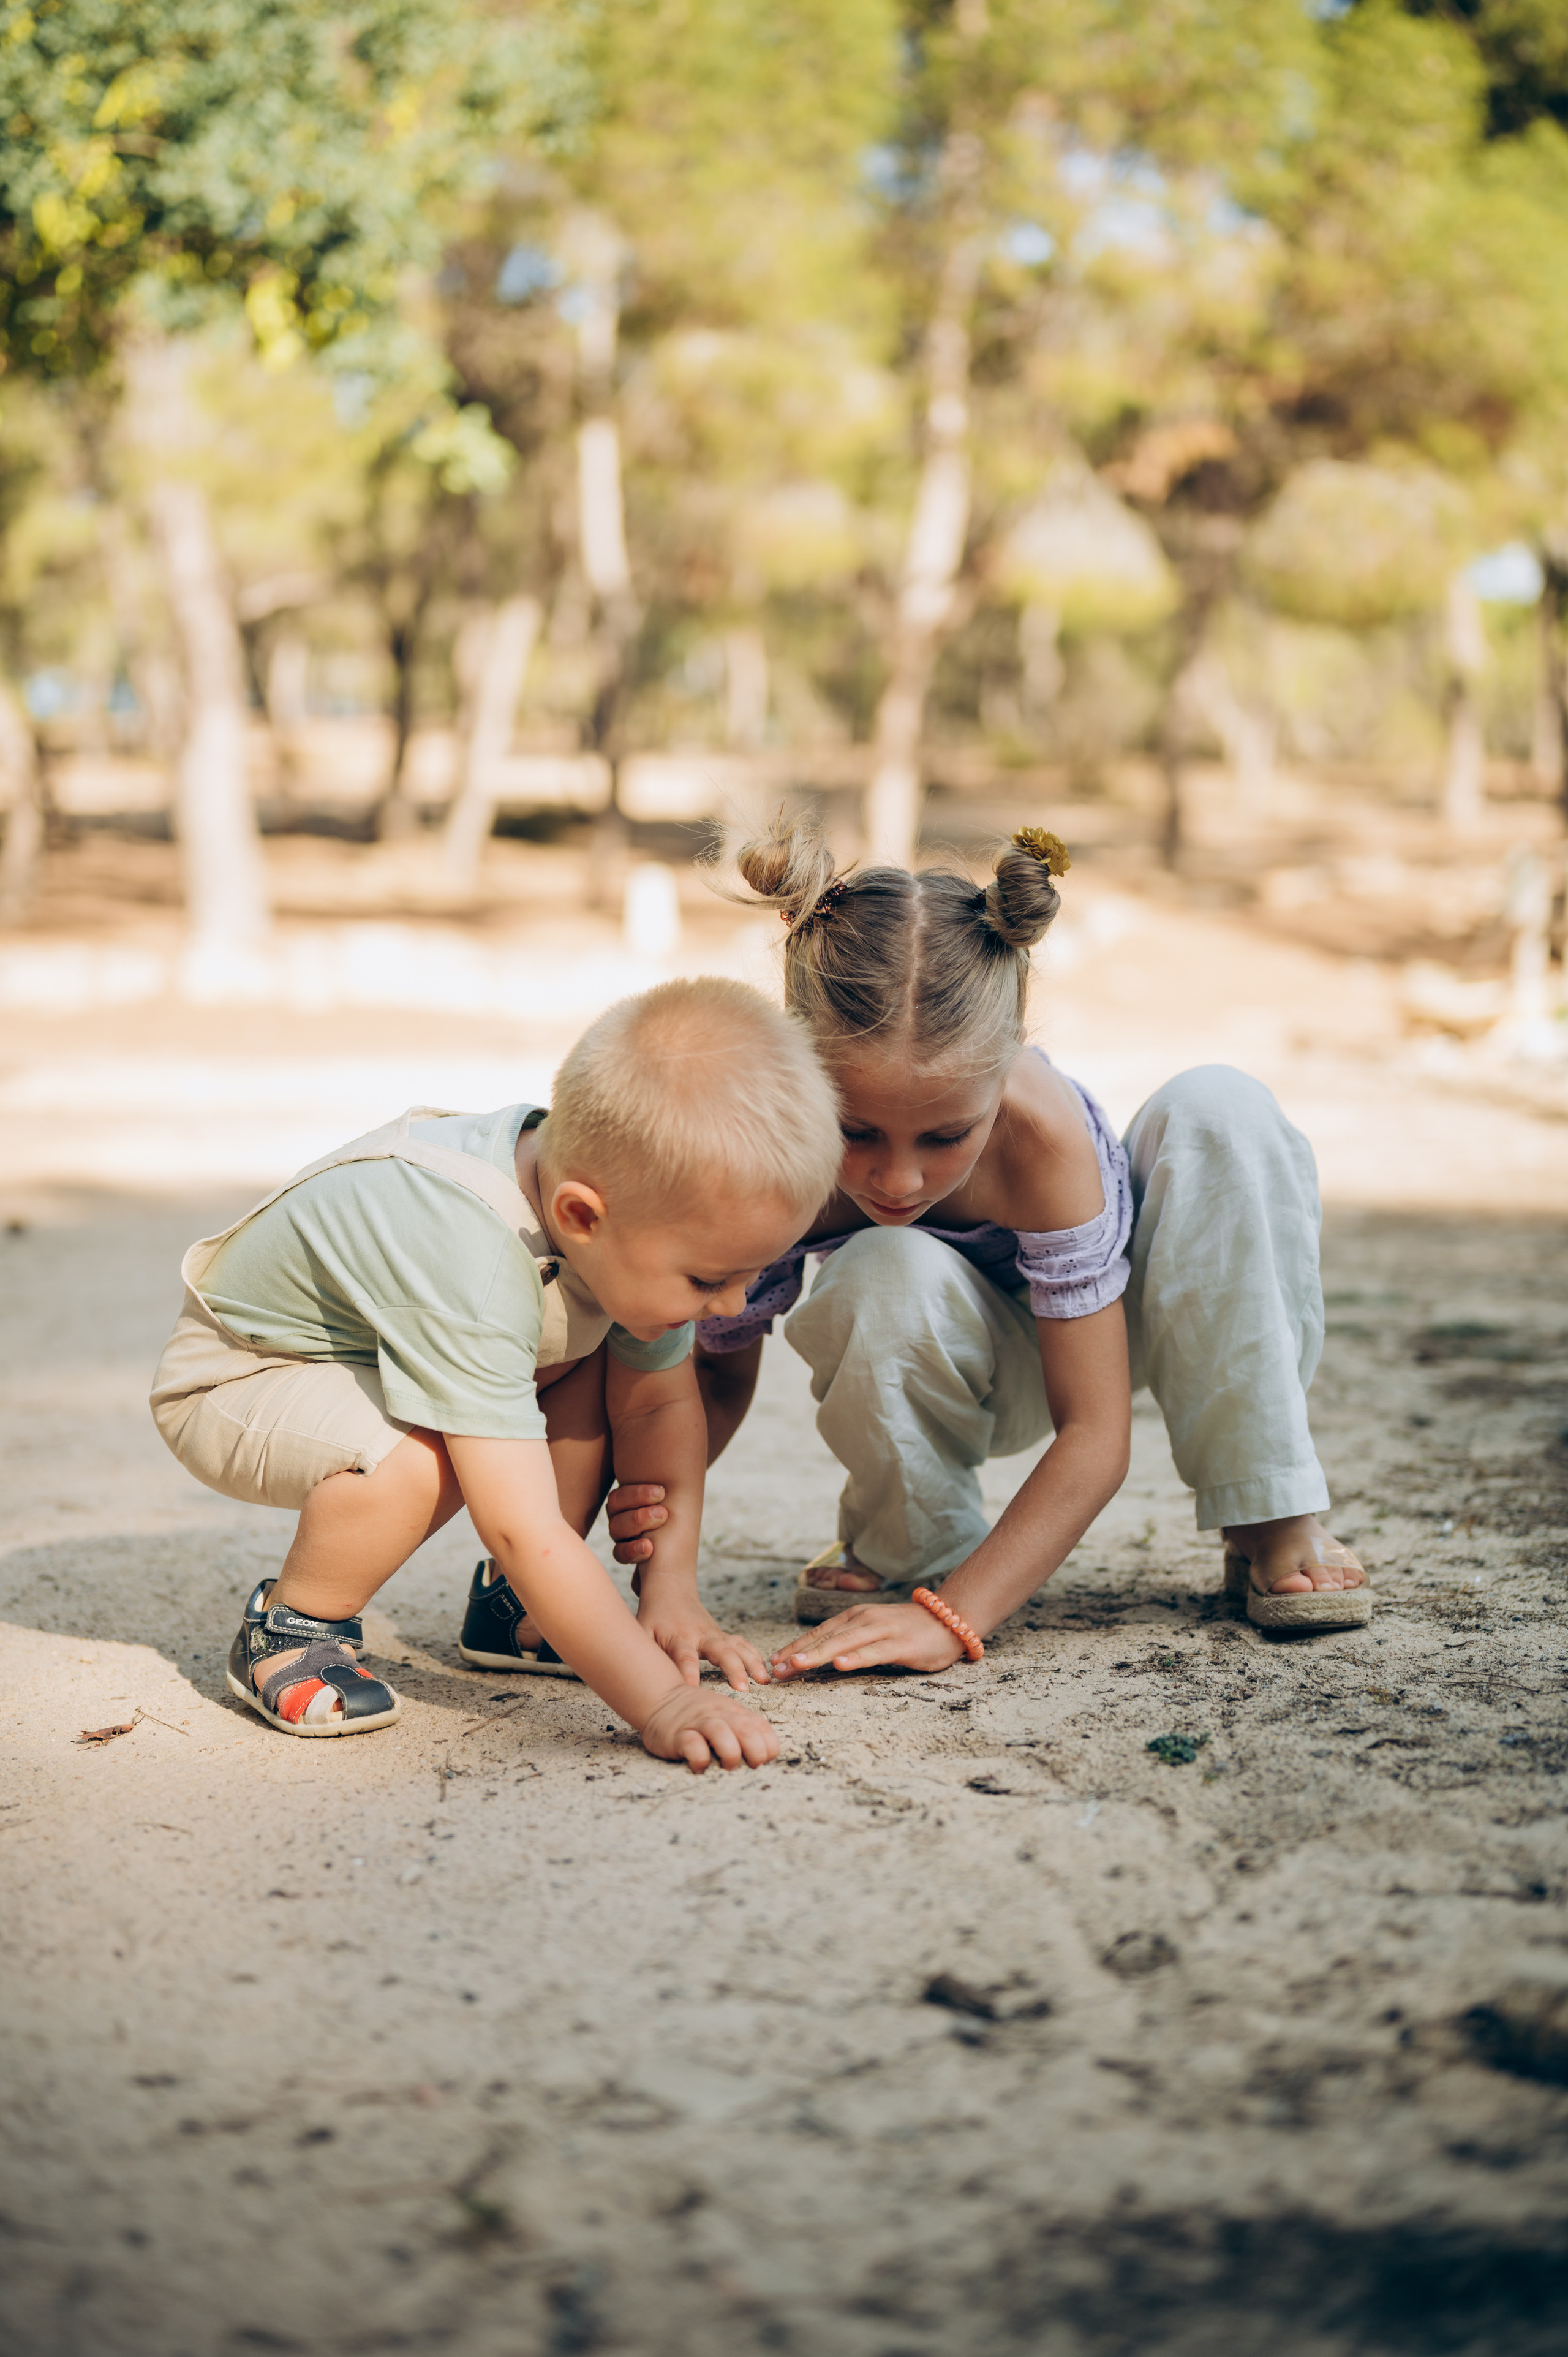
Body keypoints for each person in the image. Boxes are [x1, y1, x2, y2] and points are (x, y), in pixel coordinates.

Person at [605, 818, 1369, 1681]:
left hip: (1119, 1340)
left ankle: (1269, 1510)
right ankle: (912, 1544)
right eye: (856, 1130)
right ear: (795, 1065)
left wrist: (955, 1623)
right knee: (884, 1261)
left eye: (945, 1136)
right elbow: (706, 1379)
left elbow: (1095, 1431)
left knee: (1220, 1108)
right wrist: (628, 1510)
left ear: (1006, 1065)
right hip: (952, 1355)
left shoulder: (1040, 1136)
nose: (897, 1179)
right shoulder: (771, 1152)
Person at [150, 977, 842, 1772]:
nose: (732, 1304)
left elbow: (657, 1408)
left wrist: (672, 1590)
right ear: (581, 1216)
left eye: (747, 1274)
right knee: (427, 1455)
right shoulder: (474, 1256)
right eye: (708, 1279)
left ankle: (518, 1612)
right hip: (242, 1378)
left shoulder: (625, 1206)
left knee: (592, 1362)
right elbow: (519, 1524)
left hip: (372, 1358)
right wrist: (662, 1700)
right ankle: (294, 1627)